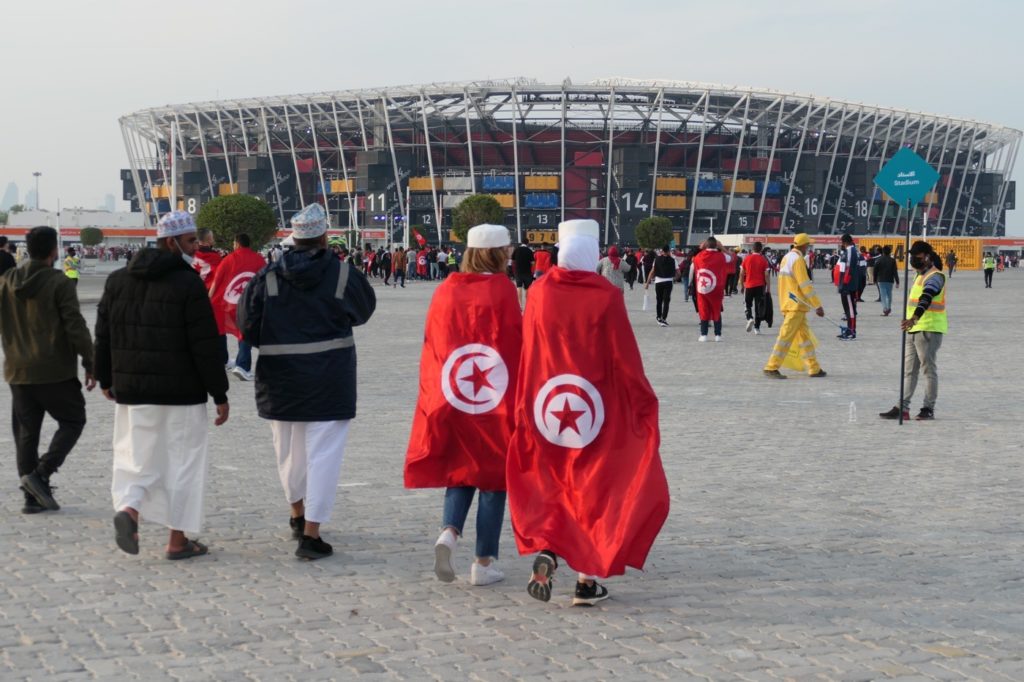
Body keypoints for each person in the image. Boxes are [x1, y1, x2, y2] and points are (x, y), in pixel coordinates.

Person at [508, 218, 669, 607]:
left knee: (553, 478)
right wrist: (642, 399)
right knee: (594, 485)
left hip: (547, 404)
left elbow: (529, 349)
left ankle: (547, 548)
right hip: (596, 408)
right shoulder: (606, 295)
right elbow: (624, 357)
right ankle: (586, 580)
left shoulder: (541, 292)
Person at [238, 204, 376, 560]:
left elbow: (247, 325)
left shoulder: (267, 277)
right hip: (330, 377)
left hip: (280, 379)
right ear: (324, 235)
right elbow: (363, 310)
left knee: (288, 453)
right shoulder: (343, 274)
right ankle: (312, 535)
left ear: (293, 237)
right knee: (323, 455)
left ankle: (297, 515)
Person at [94, 211, 230, 559]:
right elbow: (205, 344)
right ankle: (177, 540)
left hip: (132, 390)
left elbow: (104, 334)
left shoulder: (117, 280)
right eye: (189, 242)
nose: (196, 248)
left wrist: (106, 377)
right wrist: (219, 392)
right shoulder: (187, 284)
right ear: (171, 242)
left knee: (135, 458)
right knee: (182, 464)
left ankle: (129, 510)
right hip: (181, 394)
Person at [404, 223, 521, 586]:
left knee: (460, 468)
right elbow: (516, 343)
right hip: (494, 398)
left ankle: (449, 532)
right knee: (492, 478)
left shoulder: (446, 289)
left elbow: (433, 342)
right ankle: (483, 563)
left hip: (453, 394)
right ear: (500, 253)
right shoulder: (503, 290)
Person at [1, 226, 95, 514]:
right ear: (54, 250)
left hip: (18, 369)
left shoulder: (6, 281)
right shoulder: (59, 282)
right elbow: (75, 325)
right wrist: (90, 361)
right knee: (73, 420)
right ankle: (40, 476)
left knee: (26, 433)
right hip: (54, 369)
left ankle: (31, 498)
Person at [880, 241, 947, 421]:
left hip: (928, 329)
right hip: (913, 329)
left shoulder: (936, 276)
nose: (913, 260)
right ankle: (902, 407)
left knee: (928, 370)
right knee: (909, 371)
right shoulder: (919, 275)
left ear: (927, 256)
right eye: (912, 257)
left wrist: (913, 318)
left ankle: (928, 408)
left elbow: (926, 298)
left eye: (916, 256)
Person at [762, 233, 827, 379]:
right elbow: (805, 285)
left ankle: (814, 367)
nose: (808, 247)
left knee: (804, 338)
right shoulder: (798, 260)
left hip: (789, 303)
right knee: (785, 336)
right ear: (804, 245)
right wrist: (817, 305)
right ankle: (771, 366)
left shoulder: (786, 258)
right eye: (808, 245)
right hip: (796, 305)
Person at [206, 233, 266, 382]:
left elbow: (217, 281)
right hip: (249, 304)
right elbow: (267, 280)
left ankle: (241, 364)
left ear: (237, 244)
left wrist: (208, 299)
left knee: (241, 332)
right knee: (245, 332)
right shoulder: (259, 259)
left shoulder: (228, 259)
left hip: (230, 304)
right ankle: (242, 365)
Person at [689, 237, 733, 342]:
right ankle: (718, 335)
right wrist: (723, 248)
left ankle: (703, 334)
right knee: (716, 309)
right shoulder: (722, 256)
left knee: (703, 309)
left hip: (702, 288)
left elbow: (692, 258)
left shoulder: (698, 257)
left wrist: (700, 247)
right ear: (716, 246)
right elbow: (731, 257)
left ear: (706, 246)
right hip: (716, 287)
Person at [741, 241, 770, 334]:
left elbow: (741, 273)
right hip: (760, 286)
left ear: (752, 249)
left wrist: (741, 285)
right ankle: (757, 328)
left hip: (749, 285)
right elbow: (766, 275)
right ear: (761, 249)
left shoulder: (746, 258)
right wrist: (768, 287)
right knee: (759, 307)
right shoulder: (763, 260)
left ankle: (749, 318)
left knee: (747, 304)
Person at [644, 245, 676, 327]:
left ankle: (658, 316)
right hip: (668, 282)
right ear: (669, 251)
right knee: (666, 301)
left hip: (658, 282)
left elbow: (652, 271)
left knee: (659, 300)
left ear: (662, 251)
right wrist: (675, 278)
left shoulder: (656, 259)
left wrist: (647, 283)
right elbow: (678, 273)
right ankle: (663, 318)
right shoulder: (673, 260)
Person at [836, 234, 861, 340]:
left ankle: (852, 331)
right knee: (847, 309)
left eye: (842, 242)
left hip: (848, 285)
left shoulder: (850, 250)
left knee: (850, 309)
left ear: (845, 242)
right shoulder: (848, 251)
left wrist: (844, 284)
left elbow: (848, 269)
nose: (841, 244)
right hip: (846, 284)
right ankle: (849, 329)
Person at [873, 245, 899, 316]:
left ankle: (885, 309)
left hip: (881, 280)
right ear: (890, 252)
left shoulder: (878, 260)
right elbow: (895, 271)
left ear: (883, 252)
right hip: (890, 280)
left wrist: (874, 279)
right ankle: (889, 307)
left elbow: (875, 271)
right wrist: (897, 281)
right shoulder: (892, 260)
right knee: (889, 294)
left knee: (883, 295)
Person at [512, 242, 535, 308]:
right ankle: (527, 305)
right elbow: (533, 263)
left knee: (519, 287)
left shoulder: (516, 250)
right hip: (527, 272)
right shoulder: (529, 251)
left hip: (518, 272)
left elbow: (512, 261)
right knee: (527, 288)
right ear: (527, 243)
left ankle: (520, 305)